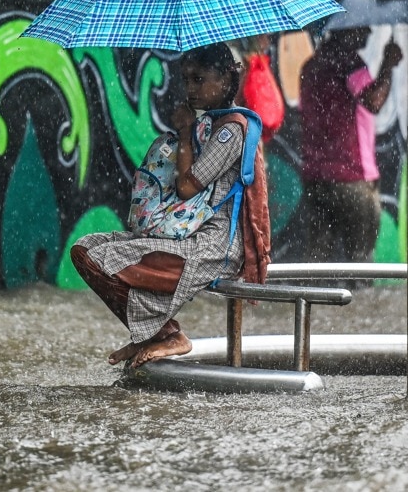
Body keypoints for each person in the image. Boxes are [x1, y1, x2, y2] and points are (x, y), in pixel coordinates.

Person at [70, 42, 270, 369]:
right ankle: (156, 334)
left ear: (224, 80)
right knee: (87, 248)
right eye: (186, 79)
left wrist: (185, 130)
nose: (190, 88)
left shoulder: (231, 130)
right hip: (188, 235)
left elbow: (188, 186)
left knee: (102, 259)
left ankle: (169, 336)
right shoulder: (211, 123)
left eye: (199, 79)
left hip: (213, 246)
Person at [299, 26, 403, 265]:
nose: (367, 31)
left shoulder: (311, 65)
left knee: (316, 263)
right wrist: (388, 65)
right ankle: (361, 302)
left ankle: (309, 302)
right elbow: (374, 100)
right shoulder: (350, 62)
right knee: (361, 263)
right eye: (361, 26)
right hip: (351, 178)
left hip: (315, 177)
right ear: (345, 30)